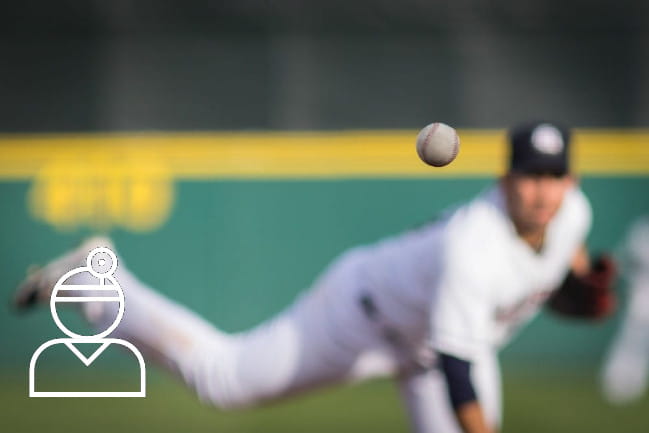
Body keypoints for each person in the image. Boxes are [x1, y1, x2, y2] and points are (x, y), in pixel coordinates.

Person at [14, 121, 616, 433]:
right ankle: (100, 283)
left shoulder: (573, 216)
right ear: (506, 178)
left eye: (554, 175)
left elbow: (570, 256)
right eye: (530, 175)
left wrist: (576, 277)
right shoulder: (472, 246)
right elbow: (459, 371)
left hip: (437, 343)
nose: (542, 191)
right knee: (223, 380)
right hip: (363, 315)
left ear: (571, 182)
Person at [601, 215, 649, 404]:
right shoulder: (643, 229)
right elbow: (625, 260)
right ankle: (617, 384)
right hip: (642, 297)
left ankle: (633, 383)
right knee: (630, 341)